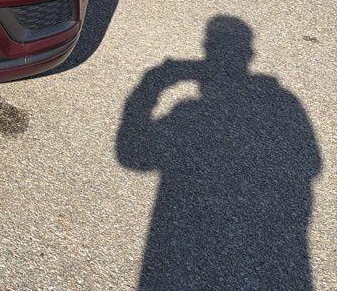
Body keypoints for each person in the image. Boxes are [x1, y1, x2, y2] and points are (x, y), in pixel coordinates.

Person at [116, 15, 322, 290]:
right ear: (249, 53)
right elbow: (311, 163)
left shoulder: (188, 113)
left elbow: (132, 155)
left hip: (183, 253)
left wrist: (152, 83)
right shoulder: (285, 103)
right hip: (280, 255)